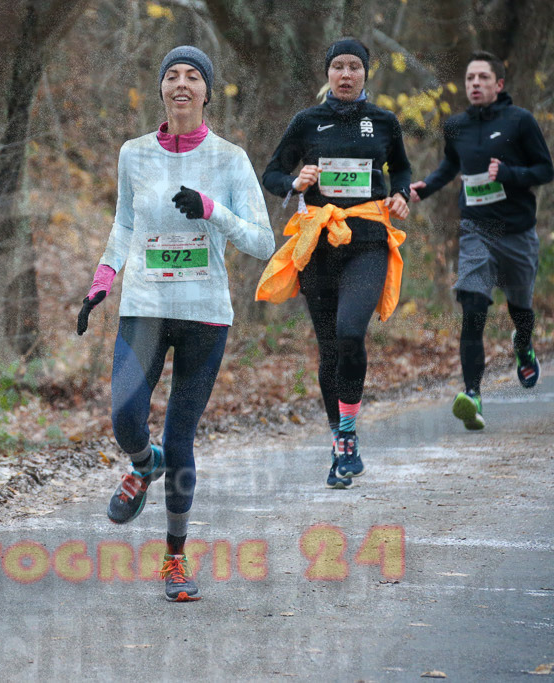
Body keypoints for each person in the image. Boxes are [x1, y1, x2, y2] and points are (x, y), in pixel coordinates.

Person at [77, 45, 274, 602]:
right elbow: (123, 224)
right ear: (161, 89)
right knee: (124, 416)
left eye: (193, 76)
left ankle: (174, 558)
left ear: (208, 92)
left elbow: (263, 242)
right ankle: (145, 463)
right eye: (172, 76)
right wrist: (101, 281)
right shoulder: (134, 153)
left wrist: (213, 209)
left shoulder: (230, 159)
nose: (181, 84)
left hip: (204, 314)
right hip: (144, 305)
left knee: (181, 436)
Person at [257, 38, 411, 489]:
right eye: (338, 67)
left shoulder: (383, 122)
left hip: (366, 243)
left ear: (366, 73)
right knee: (329, 349)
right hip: (318, 247)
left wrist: (400, 194)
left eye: (354, 67)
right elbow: (272, 173)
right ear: (327, 73)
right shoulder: (307, 122)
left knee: (349, 333)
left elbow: (400, 168)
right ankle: (340, 439)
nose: (346, 75)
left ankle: (346, 431)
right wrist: (294, 180)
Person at [409, 50, 553, 430]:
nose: (474, 83)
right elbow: (450, 165)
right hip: (477, 229)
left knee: (520, 306)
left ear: (498, 84)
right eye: (470, 78)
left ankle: (523, 345)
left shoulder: (519, 121)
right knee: (473, 307)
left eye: (483, 78)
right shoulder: (455, 125)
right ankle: (472, 395)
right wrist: (424, 188)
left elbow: (545, 169)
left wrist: (509, 173)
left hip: (518, 232)